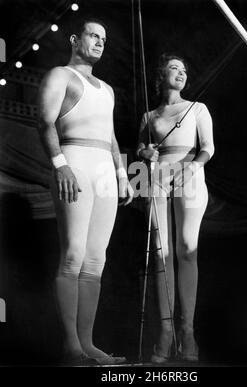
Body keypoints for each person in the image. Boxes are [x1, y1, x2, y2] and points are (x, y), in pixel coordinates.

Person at [38, 17, 133, 366]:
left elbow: (110, 136)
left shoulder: (106, 89)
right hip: (74, 160)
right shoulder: (60, 75)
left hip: (104, 170)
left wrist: (122, 173)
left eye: (104, 39)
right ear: (75, 39)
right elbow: (45, 122)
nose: (99, 42)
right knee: (73, 255)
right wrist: (60, 164)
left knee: (96, 260)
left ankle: (88, 344)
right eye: (93, 36)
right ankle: (70, 347)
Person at [137, 54, 214, 363]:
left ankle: (188, 331)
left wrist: (192, 166)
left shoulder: (197, 109)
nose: (181, 73)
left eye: (184, 69)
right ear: (162, 75)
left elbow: (208, 147)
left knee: (186, 249)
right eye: (174, 68)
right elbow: (141, 151)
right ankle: (166, 332)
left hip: (190, 177)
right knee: (160, 254)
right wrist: (145, 151)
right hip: (155, 180)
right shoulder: (148, 115)